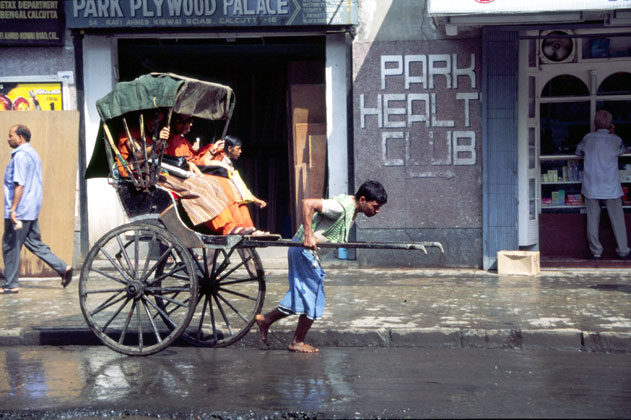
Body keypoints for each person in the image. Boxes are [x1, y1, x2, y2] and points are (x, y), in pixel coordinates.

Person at [255, 180, 388, 353]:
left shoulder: (352, 208)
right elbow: (307, 203)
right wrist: (308, 236)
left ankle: (268, 321)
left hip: (307, 254)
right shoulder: (341, 207)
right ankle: (294, 339)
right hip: (303, 252)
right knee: (312, 295)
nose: (377, 211)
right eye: (375, 206)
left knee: (308, 295)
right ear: (362, 199)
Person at [116, 111, 263, 236]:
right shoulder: (129, 134)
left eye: (158, 121)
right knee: (202, 186)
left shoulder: (161, 137)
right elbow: (140, 155)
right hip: (144, 177)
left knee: (216, 183)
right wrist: (161, 141)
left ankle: (237, 225)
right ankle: (227, 226)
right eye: (152, 120)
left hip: (163, 172)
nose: (155, 124)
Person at [163, 115, 267, 234]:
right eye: (182, 121)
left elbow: (197, 160)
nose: (189, 125)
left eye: (189, 121)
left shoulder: (182, 140)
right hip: (180, 174)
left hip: (193, 170)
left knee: (232, 189)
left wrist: (212, 153)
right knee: (218, 184)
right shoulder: (173, 140)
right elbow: (189, 161)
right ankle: (228, 226)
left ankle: (245, 226)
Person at [2, 124, 73, 294]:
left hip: (20, 209)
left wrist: (13, 210)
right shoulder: (33, 154)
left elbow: (19, 184)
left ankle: (10, 284)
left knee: (10, 246)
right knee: (34, 243)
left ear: (21, 137)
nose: (8, 138)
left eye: (11, 135)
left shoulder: (20, 156)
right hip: (31, 208)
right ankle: (63, 268)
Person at [576, 109, 630, 259]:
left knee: (592, 219)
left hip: (591, 185)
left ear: (595, 123)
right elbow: (623, 150)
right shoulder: (615, 140)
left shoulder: (588, 138)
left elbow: (578, 152)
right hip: (610, 186)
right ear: (610, 125)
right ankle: (623, 250)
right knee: (617, 219)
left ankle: (596, 250)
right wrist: (612, 133)